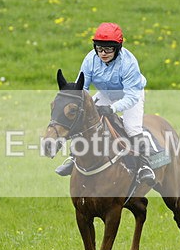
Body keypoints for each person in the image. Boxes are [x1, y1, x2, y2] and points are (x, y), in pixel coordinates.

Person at [55, 22, 156, 186]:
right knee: (84, 118)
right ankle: (74, 157)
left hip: (131, 95)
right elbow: (83, 87)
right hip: (106, 93)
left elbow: (131, 97)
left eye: (108, 49)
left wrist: (111, 109)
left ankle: (145, 165)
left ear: (118, 48)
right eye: (99, 48)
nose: (103, 53)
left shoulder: (129, 63)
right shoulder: (90, 60)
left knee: (132, 127)